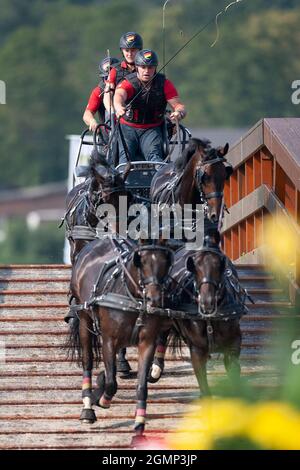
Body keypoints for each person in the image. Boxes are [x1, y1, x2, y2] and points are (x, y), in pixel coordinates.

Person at [113, 49, 186, 165]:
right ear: (136, 67)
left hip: (151, 129)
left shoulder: (164, 84)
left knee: (155, 158)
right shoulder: (129, 82)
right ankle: (123, 181)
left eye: (150, 67)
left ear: (155, 68)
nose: (147, 71)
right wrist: (118, 107)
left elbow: (178, 105)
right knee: (125, 160)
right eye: (143, 67)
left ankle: (158, 181)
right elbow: (119, 95)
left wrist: (179, 113)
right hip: (127, 129)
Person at [103, 32, 143, 113]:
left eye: (133, 50)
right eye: (127, 50)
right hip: (119, 112)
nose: (130, 54)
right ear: (122, 51)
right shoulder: (115, 70)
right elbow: (107, 95)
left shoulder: (145, 70)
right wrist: (112, 111)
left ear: (139, 50)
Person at [83, 56, 120, 132]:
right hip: (108, 134)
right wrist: (92, 122)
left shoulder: (128, 87)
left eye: (114, 78)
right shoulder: (99, 91)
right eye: (106, 78)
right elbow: (87, 114)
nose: (110, 82)